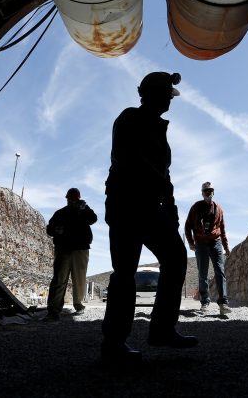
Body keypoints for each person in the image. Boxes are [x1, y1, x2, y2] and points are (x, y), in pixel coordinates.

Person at [101, 71, 197, 364]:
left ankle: (162, 330)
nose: (170, 99)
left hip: (150, 206)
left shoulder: (159, 130)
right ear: (150, 93)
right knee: (124, 272)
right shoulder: (130, 118)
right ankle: (114, 345)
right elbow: (126, 159)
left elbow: (165, 177)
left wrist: (171, 209)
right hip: (126, 204)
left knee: (176, 258)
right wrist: (160, 188)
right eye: (167, 94)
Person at [43, 187, 96, 321]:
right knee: (59, 279)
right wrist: (56, 230)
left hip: (81, 249)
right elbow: (49, 229)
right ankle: (53, 311)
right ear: (67, 199)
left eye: (75, 199)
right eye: (70, 199)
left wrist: (85, 208)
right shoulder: (60, 213)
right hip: (63, 249)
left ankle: (78, 306)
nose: (72, 201)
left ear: (78, 199)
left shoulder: (84, 212)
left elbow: (93, 219)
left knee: (79, 279)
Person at [185, 181, 232, 315]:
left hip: (215, 243)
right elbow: (187, 226)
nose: (208, 193)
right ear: (202, 193)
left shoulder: (218, 209)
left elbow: (222, 229)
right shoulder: (196, 208)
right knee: (202, 274)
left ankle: (223, 303)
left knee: (220, 271)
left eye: (210, 191)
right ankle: (205, 302)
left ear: (213, 192)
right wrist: (191, 243)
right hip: (200, 244)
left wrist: (226, 247)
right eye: (206, 191)